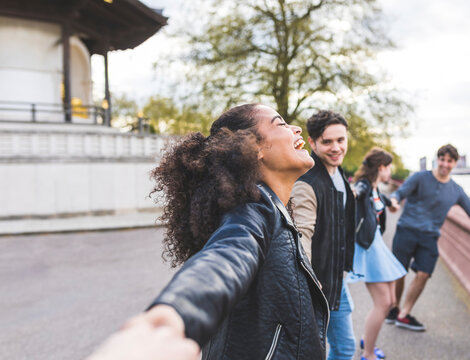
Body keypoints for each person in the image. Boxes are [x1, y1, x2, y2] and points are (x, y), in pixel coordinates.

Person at [86, 104, 329, 360]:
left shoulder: (273, 208)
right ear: (253, 148)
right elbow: (225, 258)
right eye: (280, 124)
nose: (296, 128)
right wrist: (171, 319)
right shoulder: (255, 211)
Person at [386, 144, 470, 331]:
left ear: (455, 163)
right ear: (438, 160)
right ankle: (393, 308)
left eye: (450, 161)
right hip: (407, 230)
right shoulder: (420, 177)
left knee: (424, 273)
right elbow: (399, 193)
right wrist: (394, 202)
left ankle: (404, 314)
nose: (445, 164)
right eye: (442, 159)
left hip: (430, 236)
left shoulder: (456, 190)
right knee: (398, 272)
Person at [291, 110, 356, 360]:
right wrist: (307, 278)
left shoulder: (338, 174)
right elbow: (302, 235)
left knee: (341, 347)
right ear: (313, 143)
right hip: (319, 283)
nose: (336, 147)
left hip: (337, 278)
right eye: (327, 141)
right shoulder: (307, 183)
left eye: (341, 140)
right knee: (339, 349)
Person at [348, 148, 407, 360]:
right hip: (368, 249)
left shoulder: (375, 189)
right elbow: (356, 192)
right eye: (389, 167)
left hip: (377, 246)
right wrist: (350, 194)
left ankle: (367, 339)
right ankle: (368, 353)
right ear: (381, 167)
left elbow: (382, 199)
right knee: (383, 303)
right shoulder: (364, 184)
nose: (390, 171)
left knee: (390, 301)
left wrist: (391, 203)